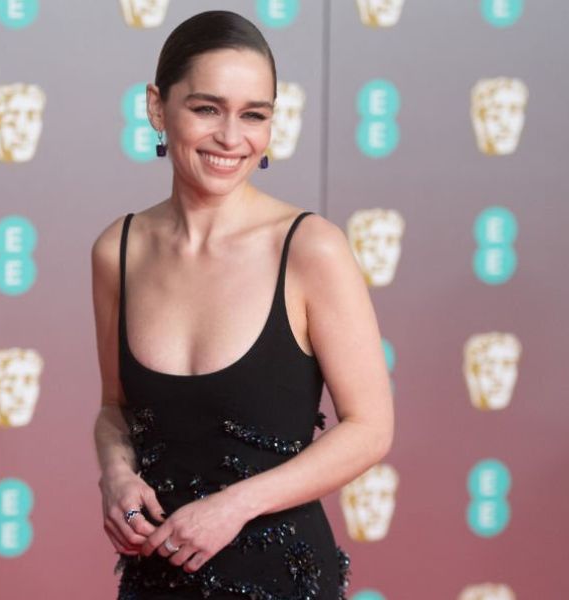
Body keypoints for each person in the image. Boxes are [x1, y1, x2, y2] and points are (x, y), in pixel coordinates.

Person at [91, 10, 393, 599]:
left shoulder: (309, 248)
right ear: (157, 108)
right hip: (156, 581)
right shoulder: (119, 251)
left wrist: (234, 506)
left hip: (283, 581)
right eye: (207, 109)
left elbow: (370, 428)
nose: (232, 138)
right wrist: (116, 474)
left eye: (254, 114)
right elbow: (113, 408)